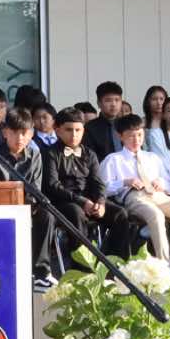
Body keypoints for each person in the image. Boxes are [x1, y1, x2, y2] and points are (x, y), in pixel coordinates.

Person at [99, 113, 170, 281]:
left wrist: (160, 183)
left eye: (139, 135)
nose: (136, 140)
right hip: (135, 197)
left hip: (158, 195)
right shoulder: (113, 159)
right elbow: (102, 189)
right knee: (156, 215)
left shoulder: (152, 157)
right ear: (121, 136)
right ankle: (165, 267)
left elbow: (169, 186)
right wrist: (125, 182)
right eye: (131, 136)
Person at [42, 108, 130, 267]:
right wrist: (82, 202)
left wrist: (101, 202)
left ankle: (113, 264)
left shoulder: (89, 154)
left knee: (120, 214)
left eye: (78, 130)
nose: (74, 135)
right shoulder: (50, 154)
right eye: (68, 130)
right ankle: (83, 268)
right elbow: (52, 186)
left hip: (89, 201)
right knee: (76, 212)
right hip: (62, 202)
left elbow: (98, 182)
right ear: (57, 130)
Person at [0, 112, 58, 285]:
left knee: (47, 215)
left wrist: (27, 206)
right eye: (14, 132)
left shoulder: (35, 154)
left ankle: (41, 271)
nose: (19, 138)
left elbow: (36, 187)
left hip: (28, 205)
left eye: (24, 133)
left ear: (31, 134)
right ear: (5, 132)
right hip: (1, 206)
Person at [85, 82, 127, 160]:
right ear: (99, 103)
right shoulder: (89, 128)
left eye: (117, 100)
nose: (113, 104)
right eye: (108, 100)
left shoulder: (127, 125)